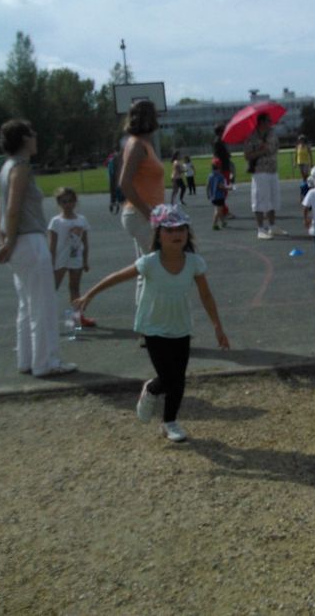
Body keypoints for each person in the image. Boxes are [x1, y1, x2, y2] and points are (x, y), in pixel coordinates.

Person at [75, 205, 229, 442]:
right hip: (154, 328)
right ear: (158, 234)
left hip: (181, 328)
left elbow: (206, 296)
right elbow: (115, 277)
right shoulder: (149, 263)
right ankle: (151, 390)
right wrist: (89, 295)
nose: (176, 234)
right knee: (167, 378)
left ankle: (170, 423)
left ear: (187, 233)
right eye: (169, 230)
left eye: (181, 229)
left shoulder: (194, 263)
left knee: (178, 380)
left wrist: (217, 326)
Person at [0, 119, 77, 377]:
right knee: (43, 305)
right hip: (29, 240)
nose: (36, 136)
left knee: (26, 305)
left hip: (19, 243)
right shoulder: (20, 168)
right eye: (31, 133)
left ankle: (27, 360)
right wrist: (8, 241)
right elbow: (12, 206)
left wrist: (4, 238)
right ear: (23, 139)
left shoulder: (5, 168)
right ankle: (47, 362)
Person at [118, 100, 165, 307]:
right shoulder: (137, 144)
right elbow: (124, 183)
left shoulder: (145, 144)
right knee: (157, 268)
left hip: (146, 213)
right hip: (141, 214)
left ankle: (146, 326)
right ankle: (154, 324)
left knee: (145, 270)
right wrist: (148, 212)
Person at [48, 187, 96, 328]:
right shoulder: (56, 221)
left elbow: (85, 243)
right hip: (60, 260)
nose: (68, 204)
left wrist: (85, 261)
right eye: (64, 202)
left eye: (70, 201)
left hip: (76, 259)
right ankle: (46, 319)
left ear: (75, 202)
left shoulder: (82, 220)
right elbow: (52, 245)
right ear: (59, 203)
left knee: (74, 288)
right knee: (52, 288)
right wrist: (50, 263)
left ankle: (77, 318)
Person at [244, 113, 283, 239]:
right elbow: (247, 155)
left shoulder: (272, 133)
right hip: (260, 171)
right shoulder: (252, 136)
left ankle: (272, 226)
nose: (270, 122)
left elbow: (276, 147)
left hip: (272, 169)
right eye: (268, 120)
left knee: (273, 198)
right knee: (260, 199)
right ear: (261, 122)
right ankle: (260, 228)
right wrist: (261, 150)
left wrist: (270, 148)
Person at [212, 124, 235, 220]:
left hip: (224, 167)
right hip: (223, 169)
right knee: (223, 191)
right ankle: (223, 211)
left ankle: (222, 210)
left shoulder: (220, 141)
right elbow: (218, 156)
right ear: (220, 131)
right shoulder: (218, 142)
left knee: (224, 191)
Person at [206, 159, 230, 230]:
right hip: (219, 196)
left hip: (213, 196)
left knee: (220, 210)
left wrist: (207, 194)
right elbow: (220, 186)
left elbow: (207, 185)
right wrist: (228, 188)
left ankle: (223, 222)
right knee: (218, 211)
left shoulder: (210, 176)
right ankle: (214, 224)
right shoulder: (220, 176)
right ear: (219, 167)